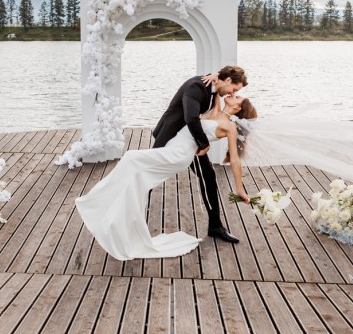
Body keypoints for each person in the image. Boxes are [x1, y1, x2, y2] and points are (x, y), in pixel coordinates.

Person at [74, 94, 257, 260]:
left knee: (131, 157)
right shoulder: (215, 109)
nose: (233, 94)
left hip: (180, 154)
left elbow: (234, 159)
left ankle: (95, 201)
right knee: (137, 179)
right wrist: (215, 78)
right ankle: (121, 223)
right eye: (234, 91)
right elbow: (215, 86)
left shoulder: (229, 126)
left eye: (237, 97)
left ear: (238, 108)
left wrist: (240, 189)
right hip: (172, 147)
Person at [152, 66, 248, 243]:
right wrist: (204, 145)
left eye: (236, 93)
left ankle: (215, 226)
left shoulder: (215, 91)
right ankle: (131, 212)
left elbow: (225, 76)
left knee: (208, 176)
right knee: (149, 177)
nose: (232, 94)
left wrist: (216, 74)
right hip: (173, 138)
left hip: (191, 140)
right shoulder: (197, 87)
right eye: (234, 89)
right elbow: (191, 118)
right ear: (227, 81)